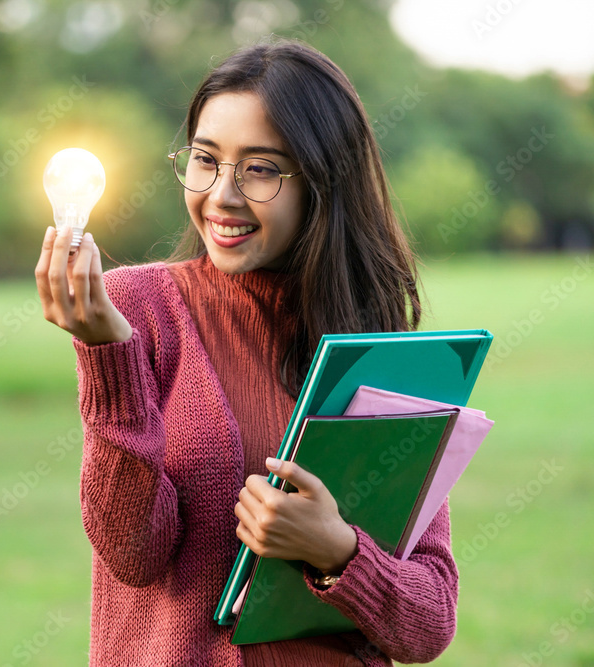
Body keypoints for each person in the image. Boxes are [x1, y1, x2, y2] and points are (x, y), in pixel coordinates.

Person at [34, 40, 458, 666]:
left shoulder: (380, 344)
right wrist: (108, 355)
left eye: (260, 169)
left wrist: (338, 550)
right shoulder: (139, 312)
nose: (221, 196)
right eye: (205, 160)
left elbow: (429, 623)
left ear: (323, 179)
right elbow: (131, 554)